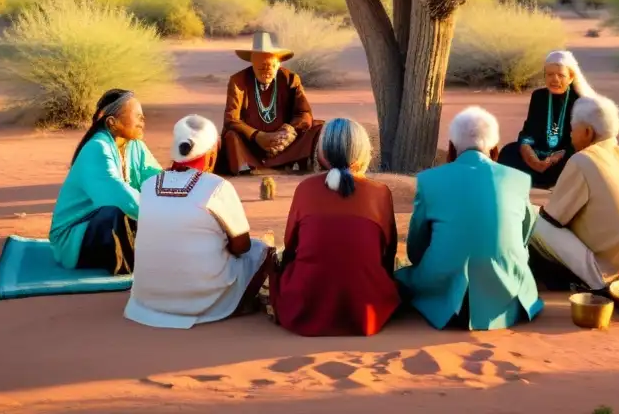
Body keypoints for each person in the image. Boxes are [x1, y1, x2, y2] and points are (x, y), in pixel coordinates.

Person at [396, 106, 543, 331]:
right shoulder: (519, 179)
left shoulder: (429, 180)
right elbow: (523, 238)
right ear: (495, 151)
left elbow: (416, 248)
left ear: (451, 149)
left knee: (403, 277)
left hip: (443, 293)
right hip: (504, 294)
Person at [125, 115, 273, 329]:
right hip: (202, 303)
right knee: (262, 249)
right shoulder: (217, 186)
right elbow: (242, 246)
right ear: (212, 153)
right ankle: (236, 304)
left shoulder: (148, 185)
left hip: (146, 301)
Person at [269, 118, 400, 336]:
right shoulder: (380, 192)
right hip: (367, 308)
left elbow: (290, 246)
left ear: (321, 155)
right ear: (363, 153)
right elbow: (388, 252)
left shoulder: (305, 189)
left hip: (306, 306)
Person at [528, 94, 619, 291]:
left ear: (587, 132)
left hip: (607, 274)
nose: (571, 136)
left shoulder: (583, 160)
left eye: (572, 130)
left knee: (527, 212)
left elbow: (553, 220)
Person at [49, 89, 162, 274]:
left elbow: (157, 180)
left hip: (106, 224)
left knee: (137, 216)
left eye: (143, 117)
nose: (143, 121)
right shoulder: (96, 148)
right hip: (74, 239)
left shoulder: (136, 146)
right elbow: (118, 196)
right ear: (112, 122)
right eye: (138, 116)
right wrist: (164, 216)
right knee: (117, 214)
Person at [216, 31, 324, 175]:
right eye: (261, 67)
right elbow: (231, 119)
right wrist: (258, 136)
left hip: (284, 144)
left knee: (318, 127)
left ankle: (295, 163)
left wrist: (289, 131)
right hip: (252, 146)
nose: (266, 71)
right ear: (252, 63)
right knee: (231, 135)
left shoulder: (291, 79)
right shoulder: (238, 81)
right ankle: (247, 167)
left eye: (271, 66)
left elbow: (304, 113)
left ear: (279, 64)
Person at [498, 50, 597, 189]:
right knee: (508, 151)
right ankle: (539, 178)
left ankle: (548, 180)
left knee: (581, 158)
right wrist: (529, 153)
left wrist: (557, 156)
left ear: (571, 77)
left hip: (565, 156)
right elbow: (528, 131)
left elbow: (581, 140)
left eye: (561, 75)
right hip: (538, 153)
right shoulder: (539, 96)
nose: (554, 79)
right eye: (550, 74)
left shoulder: (580, 100)